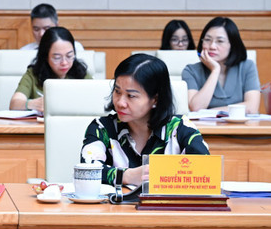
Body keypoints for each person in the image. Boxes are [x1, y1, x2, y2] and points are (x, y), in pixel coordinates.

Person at [81, 54, 209, 186]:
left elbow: (205, 170)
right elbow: (87, 169)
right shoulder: (102, 128)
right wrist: (126, 176)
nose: (120, 102)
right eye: (117, 91)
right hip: (114, 206)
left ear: (155, 99)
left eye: (131, 96)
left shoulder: (180, 127)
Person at [182, 17, 260, 114]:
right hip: (205, 128)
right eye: (207, 40)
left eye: (220, 41)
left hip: (243, 127)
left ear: (232, 45)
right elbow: (196, 108)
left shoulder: (247, 66)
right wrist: (215, 70)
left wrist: (211, 112)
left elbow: (251, 108)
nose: (212, 46)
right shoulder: (190, 70)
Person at [9, 26, 91, 113]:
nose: (64, 62)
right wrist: (31, 104)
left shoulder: (80, 73)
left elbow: (98, 99)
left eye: (69, 56)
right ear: (46, 56)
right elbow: (14, 103)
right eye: (57, 57)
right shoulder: (33, 74)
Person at [20, 3, 85, 53]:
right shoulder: (25, 51)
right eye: (36, 29)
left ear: (56, 26)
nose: (41, 34)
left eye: (46, 29)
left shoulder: (75, 48)